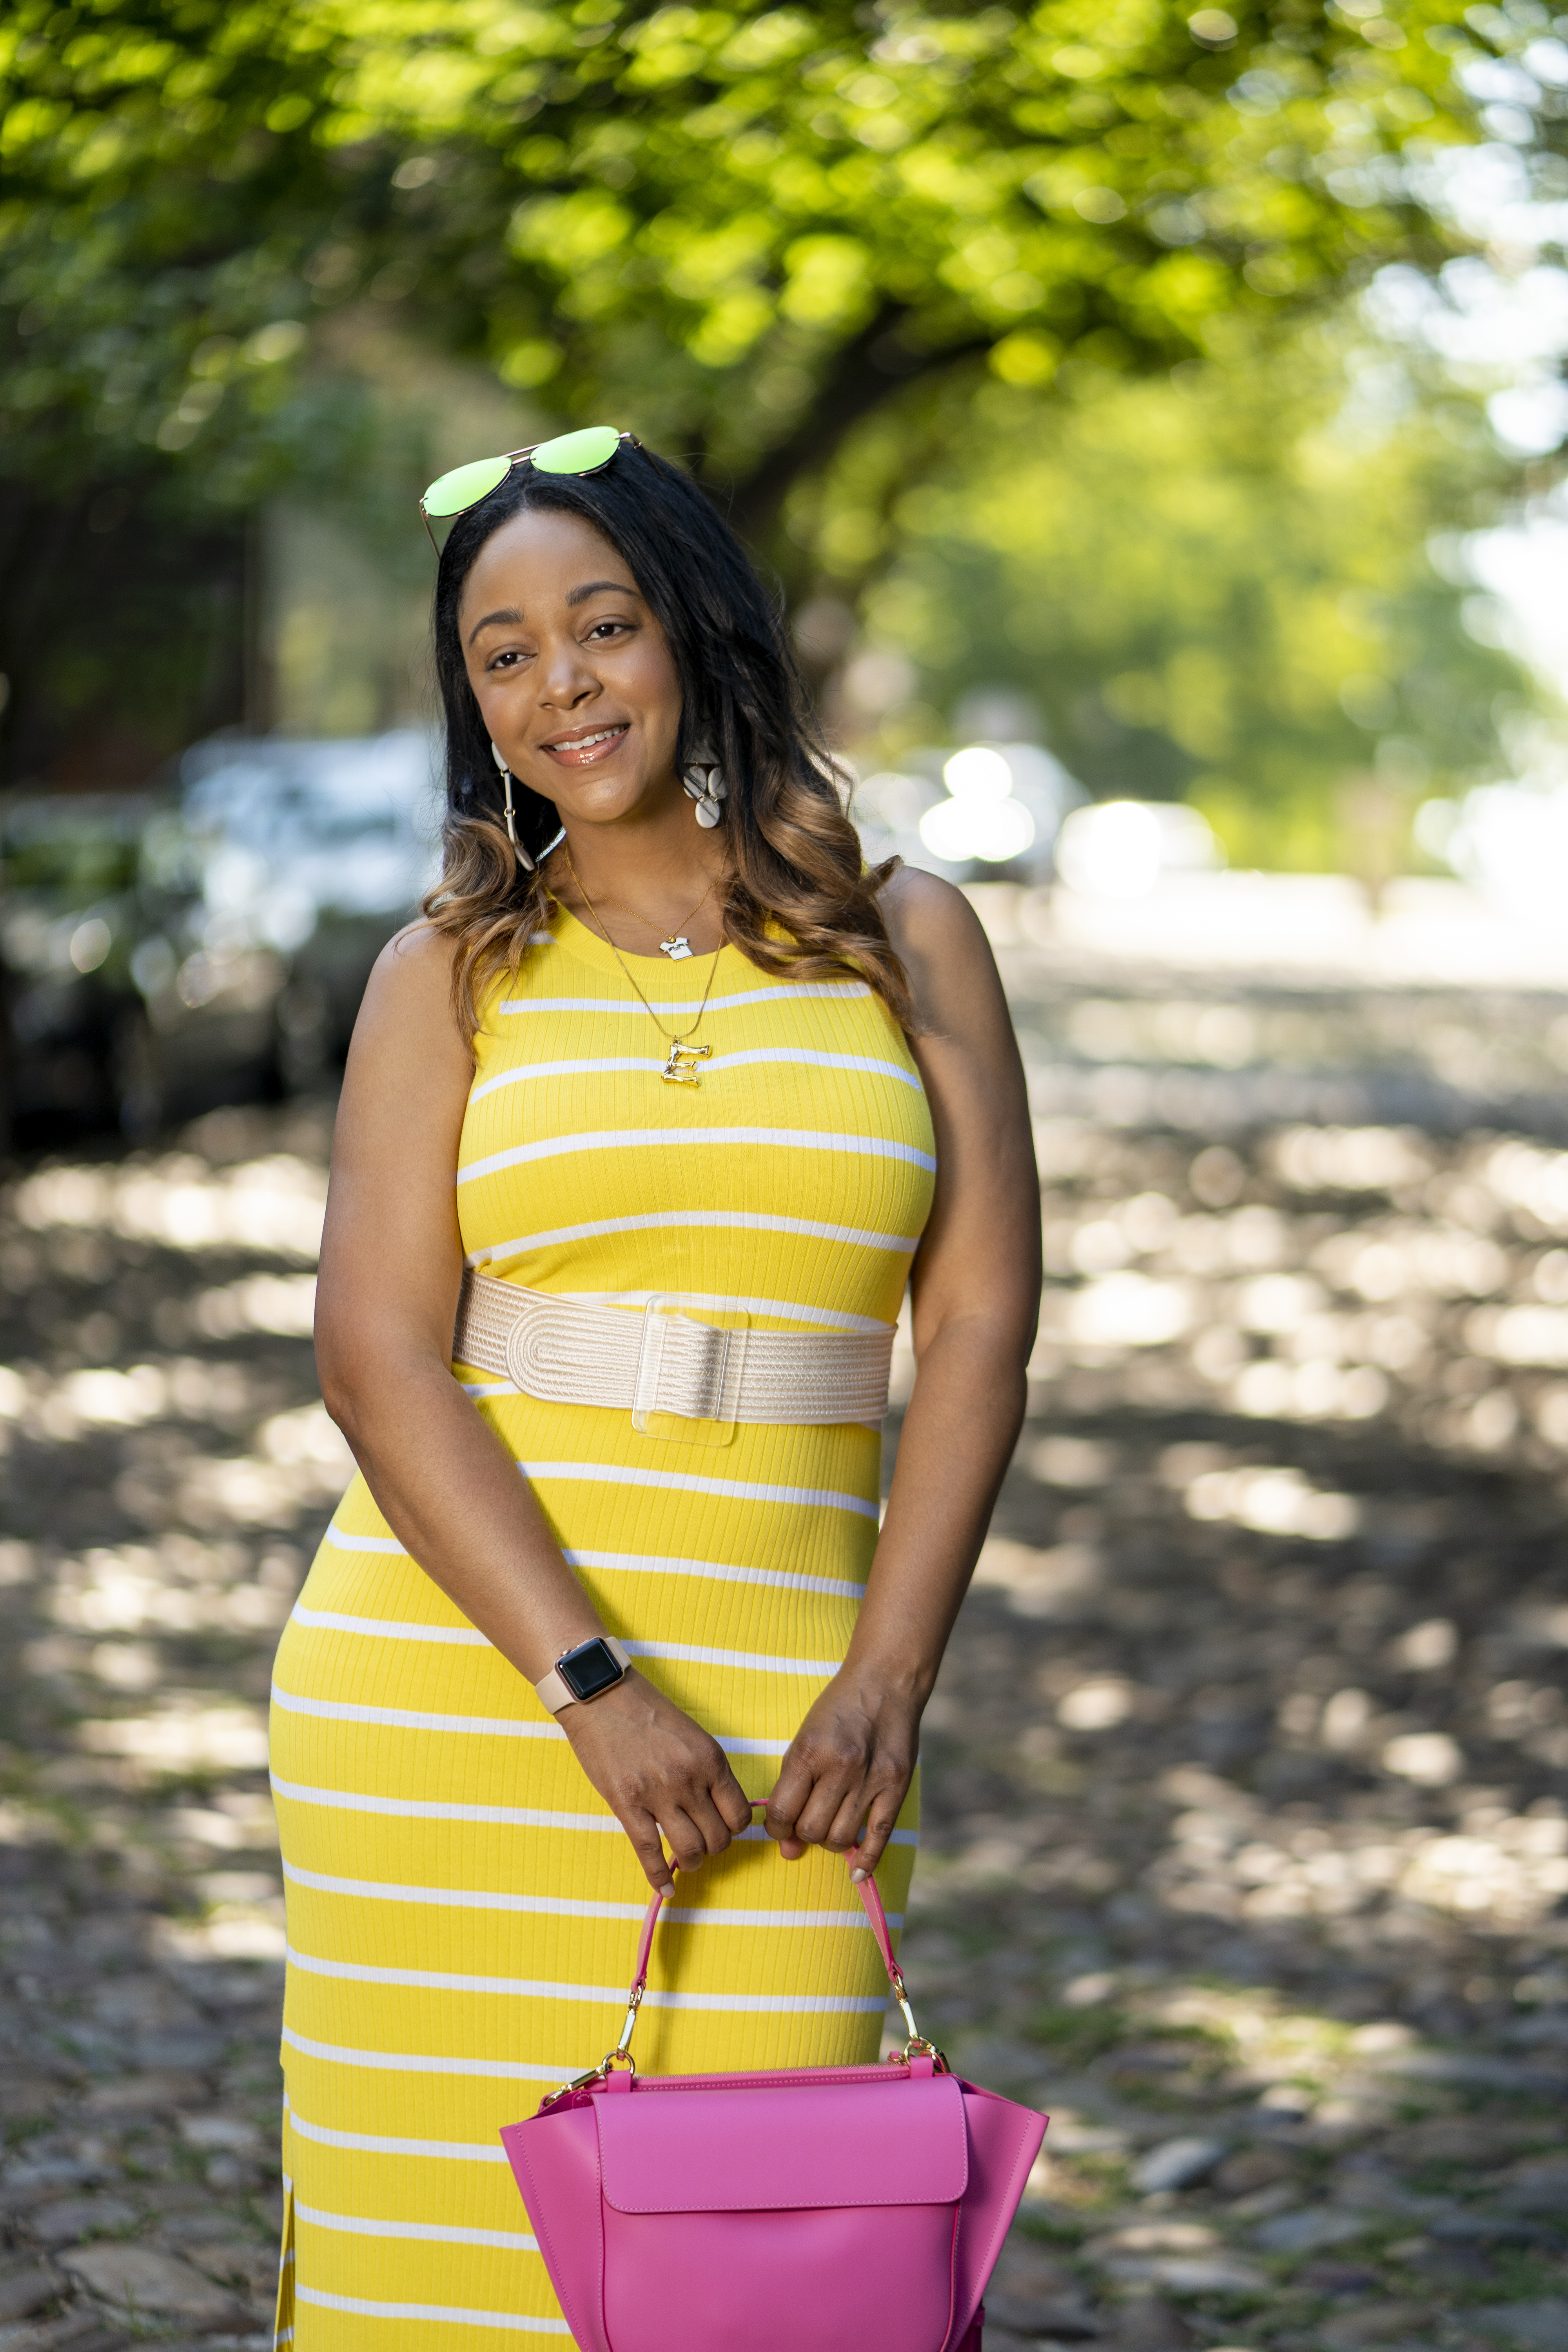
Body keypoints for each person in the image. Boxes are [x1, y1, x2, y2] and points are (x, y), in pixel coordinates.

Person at [269, 427, 1040, 2347]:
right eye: (504, 654)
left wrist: (891, 1673)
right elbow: (377, 1360)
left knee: (768, 2274)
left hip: (798, 1704)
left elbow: (978, 1333)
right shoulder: (448, 971)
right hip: (459, 1697)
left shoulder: (906, 934)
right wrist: (588, 1689)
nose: (561, 687)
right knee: (438, 2281)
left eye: (599, 627)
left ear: (690, 630)